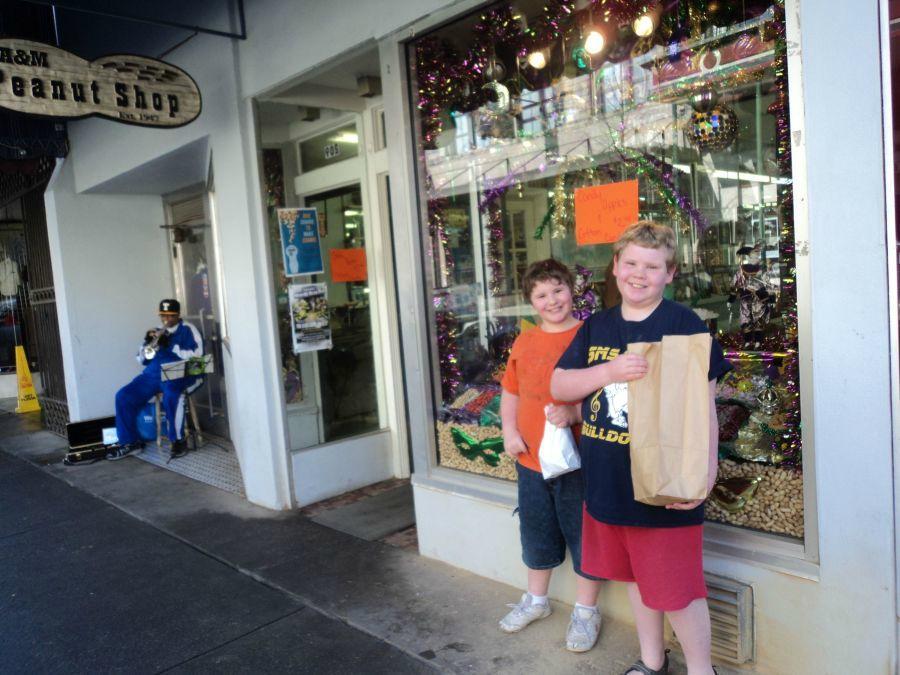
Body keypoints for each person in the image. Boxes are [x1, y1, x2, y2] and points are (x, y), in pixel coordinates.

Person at [551, 222, 731, 675]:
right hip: (608, 485)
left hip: (666, 484)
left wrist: (706, 473)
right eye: (629, 262)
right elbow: (559, 384)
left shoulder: (683, 324)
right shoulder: (597, 326)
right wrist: (609, 372)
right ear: (615, 267)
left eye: (652, 266)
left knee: (677, 590)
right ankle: (652, 661)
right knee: (635, 579)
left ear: (669, 274)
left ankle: (701, 670)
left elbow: (704, 406)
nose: (638, 273)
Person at [498, 259, 603, 653]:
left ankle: (586, 610)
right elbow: (511, 391)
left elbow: (606, 392)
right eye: (541, 294)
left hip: (580, 461)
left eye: (558, 289)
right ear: (531, 302)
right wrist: (509, 431)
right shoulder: (525, 341)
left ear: (572, 289)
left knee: (585, 535)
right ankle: (537, 600)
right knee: (536, 530)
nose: (552, 300)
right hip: (531, 460)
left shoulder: (590, 334)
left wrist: (575, 413)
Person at [107, 298, 203, 461]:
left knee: (172, 395)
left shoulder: (188, 330)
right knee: (123, 396)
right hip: (153, 375)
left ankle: (178, 441)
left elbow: (198, 358)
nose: (166, 320)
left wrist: (172, 346)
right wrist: (148, 345)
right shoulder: (157, 330)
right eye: (163, 316)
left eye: (171, 316)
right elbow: (141, 360)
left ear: (178, 315)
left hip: (179, 373)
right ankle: (130, 443)